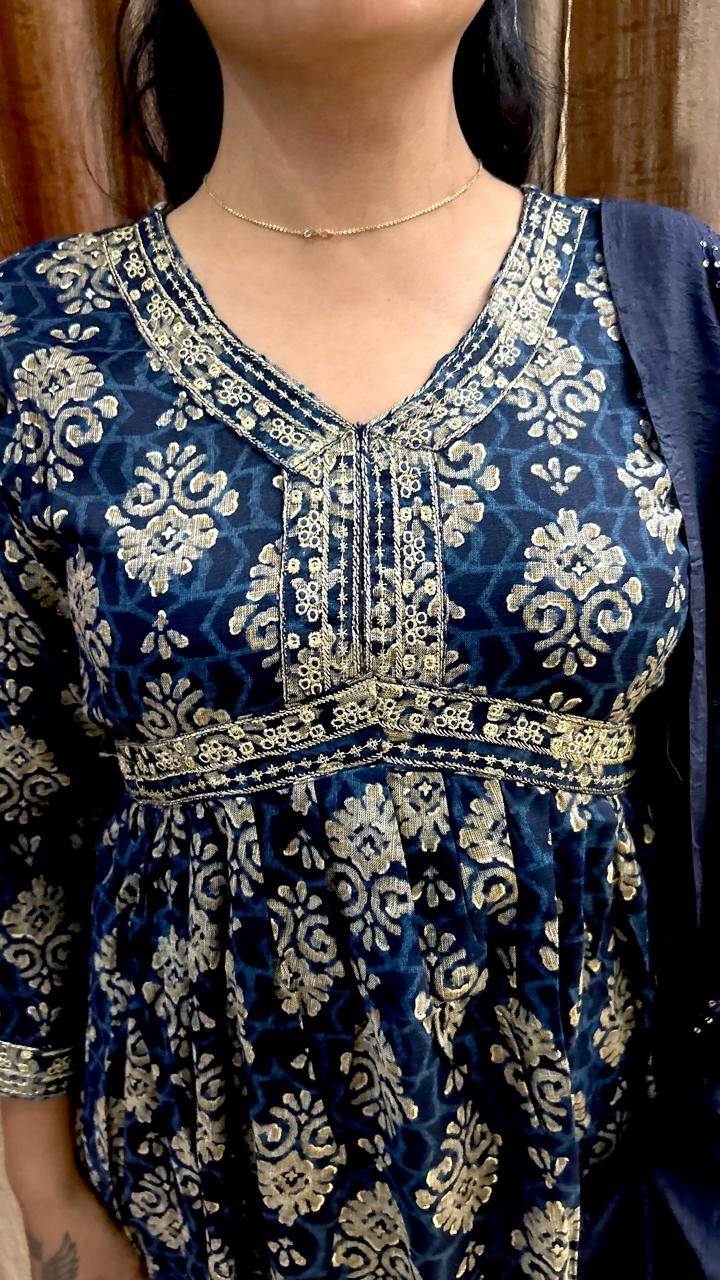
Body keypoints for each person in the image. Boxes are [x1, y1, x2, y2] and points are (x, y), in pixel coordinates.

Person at [0, 2, 717, 1277]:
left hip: (606, 1219)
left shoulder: (675, 300)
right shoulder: (36, 342)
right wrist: (50, 1208)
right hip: (198, 1233)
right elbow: (16, 819)